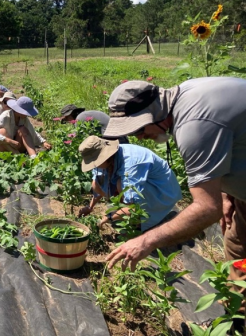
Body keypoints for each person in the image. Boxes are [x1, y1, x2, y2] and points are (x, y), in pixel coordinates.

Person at [102, 78, 246, 307]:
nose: (139, 137)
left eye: (138, 128)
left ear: (153, 114)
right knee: (237, 252)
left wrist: (145, 241)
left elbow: (207, 209)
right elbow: (233, 139)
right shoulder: (185, 94)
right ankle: (237, 320)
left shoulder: (194, 126)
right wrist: (228, 194)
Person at [78, 135, 182, 232]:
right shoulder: (110, 159)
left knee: (121, 187)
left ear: (105, 157)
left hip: (162, 192)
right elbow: (99, 184)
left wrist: (108, 217)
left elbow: (133, 207)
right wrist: (90, 207)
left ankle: (139, 221)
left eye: (95, 162)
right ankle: (125, 211)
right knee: (95, 183)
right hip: (144, 187)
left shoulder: (131, 165)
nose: (95, 166)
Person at [60, 104, 129, 144]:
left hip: (115, 141)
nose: (67, 121)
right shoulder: (85, 115)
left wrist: (64, 143)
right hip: (119, 137)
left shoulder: (80, 118)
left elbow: (77, 138)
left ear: (72, 114)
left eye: (66, 118)